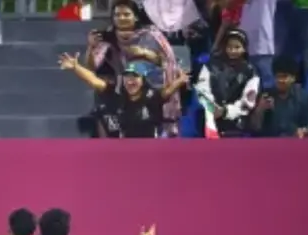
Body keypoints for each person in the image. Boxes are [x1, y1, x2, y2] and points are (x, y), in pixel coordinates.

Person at [86, 0, 182, 136]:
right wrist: (91, 47)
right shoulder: (109, 37)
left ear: (135, 16)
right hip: (126, 91)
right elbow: (92, 67)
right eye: (117, 15)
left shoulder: (151, 34)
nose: (121, 18)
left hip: (154, 90)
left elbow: (168, 62)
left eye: (126, 14)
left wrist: (145, 53)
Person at [60, 56, 188, 137]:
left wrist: (181, 80)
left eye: (135, 77)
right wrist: (76, 67)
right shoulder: (117, 93)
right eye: (127, 77)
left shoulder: (153, 95)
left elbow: (168, 90)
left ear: (143, 79)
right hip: (124, 148)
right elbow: (94, 81)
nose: (130, 82)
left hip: (150, 147)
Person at [194, 28, 260, 137]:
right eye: (229, 47)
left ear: (244, 49)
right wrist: (212, 108)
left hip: (238, 124)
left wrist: (226, 111)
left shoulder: (250, 71)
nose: (232, 51)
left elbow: (248, 101)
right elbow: (202, 89)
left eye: (237, 47)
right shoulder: (210, 66)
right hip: (211, 119)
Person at [250, 56, 308, 137]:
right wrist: (260, 109)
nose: (280, 80)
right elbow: (255, 128)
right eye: (278, 76)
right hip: (270, 141)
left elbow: (307, 126)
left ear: (293, 78)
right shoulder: (266, 95)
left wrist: (302, 131)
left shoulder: (303, 97)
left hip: (293, 141)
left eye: (284, 76)